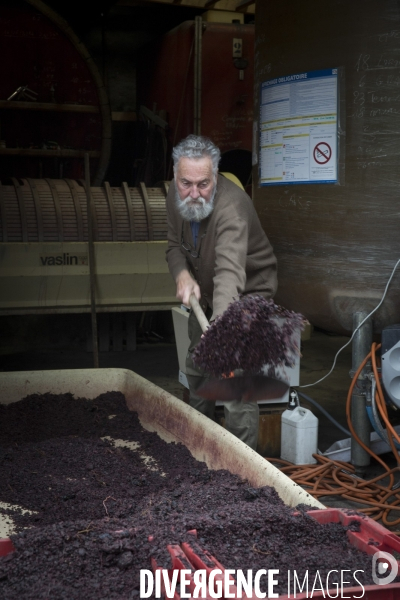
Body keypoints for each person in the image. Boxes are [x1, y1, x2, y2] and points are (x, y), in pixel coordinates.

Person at [165, 134, 277, 450]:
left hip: (247, 293)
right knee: (197, 366)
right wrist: (182, 274)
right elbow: (174, 245)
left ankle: (244, 469)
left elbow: (230, 272)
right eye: (186, 183)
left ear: (215, 176)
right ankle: (195, 448)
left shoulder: (233, 207)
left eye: (204, 184)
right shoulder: (174, 195)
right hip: (208, 292)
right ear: (175, 176)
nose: (195, 193)